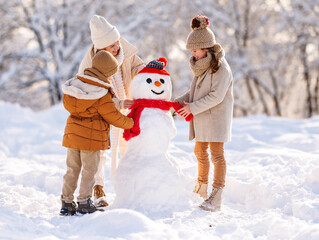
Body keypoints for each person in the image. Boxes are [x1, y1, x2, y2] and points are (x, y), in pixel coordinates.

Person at [78, 15, 144, 207]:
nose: (117, 47)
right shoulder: (90, 64)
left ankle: (128, 186)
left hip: (126, 109)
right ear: (100, 49)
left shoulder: (124, 51)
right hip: (101, 113)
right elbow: (90, 91)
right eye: (111, 46)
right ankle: (98, 187)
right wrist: (115, 103)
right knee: (100, 151)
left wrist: (145, 71)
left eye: (117, 42)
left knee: (128, 147)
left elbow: (137, 66)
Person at [60, 51, 134, 215]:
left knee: (72, 170)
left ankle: (66, 202)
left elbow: (95, 105)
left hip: (73, 136)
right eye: (110, 74)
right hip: (91, 140)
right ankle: (84, 201)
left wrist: (119, 102)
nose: (110, 78)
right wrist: (131, 123)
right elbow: (113, 116)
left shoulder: (77, 84)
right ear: (105, 72)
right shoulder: (101, 92)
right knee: (89, 171)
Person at [176, 15, 234, 212]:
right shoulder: (201, 67)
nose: (192, 54)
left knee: (217, 155)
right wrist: (176, 103)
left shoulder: (221, 68)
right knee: (199, 152)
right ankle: (201, 188)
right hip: (203, 117)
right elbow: (194, 93)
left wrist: (191, 108)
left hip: (216, 118)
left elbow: (216, 96)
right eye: (191, 50)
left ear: (206, 48)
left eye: (195, 50)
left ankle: (216, 195)